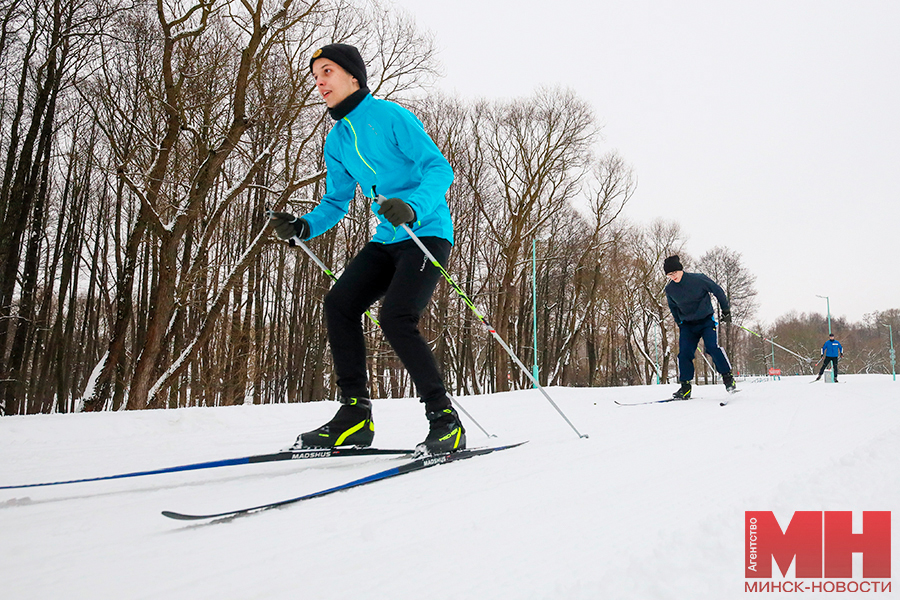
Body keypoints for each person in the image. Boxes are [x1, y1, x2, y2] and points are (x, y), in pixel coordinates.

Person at [268, 43, 464, 453]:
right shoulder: (336, 139)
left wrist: (412, 206)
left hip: (425, 233)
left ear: (353, 77)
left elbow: (438, 167)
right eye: (315, 75)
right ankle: (354, 417)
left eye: (327, 72)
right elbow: (336, 202)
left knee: (396, 316)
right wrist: (303, 226)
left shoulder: (390, 115)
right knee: (340, 302)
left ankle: (445, 421)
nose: (319, 82)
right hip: (386, 239)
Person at [663, 255, 736, 399]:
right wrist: (680, 322)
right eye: (669, 275)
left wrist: (726, 310)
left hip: (706, 321)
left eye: (675, 273)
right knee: (684, 353)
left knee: (712, 348)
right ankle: (685, 387)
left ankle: (728, 378)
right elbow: (673, 308)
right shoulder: (670, 289)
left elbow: (718, 291)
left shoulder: (698, 279)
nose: (673, 276)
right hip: (688, 325)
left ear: (681, 270)